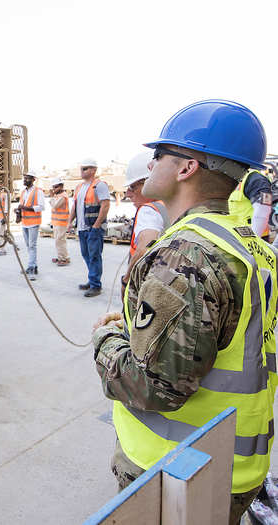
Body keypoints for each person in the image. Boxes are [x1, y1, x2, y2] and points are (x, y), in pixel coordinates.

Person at [91, 99, 277, 525]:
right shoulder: (249, 244)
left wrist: (106, 340)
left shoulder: (187, 255)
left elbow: (154, 388)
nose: (150, 164)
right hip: (228, 460)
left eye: (159, 155)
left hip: (179, 470)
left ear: (186, 167)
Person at [120, 151, 169, 289]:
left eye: (133, 187)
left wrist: (126, 279)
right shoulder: (171, 206)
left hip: (145, 284)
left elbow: (144, 249)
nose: (128, 194)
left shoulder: (148, 211)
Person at [68, 158, 110, 297]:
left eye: (85, 169)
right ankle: (92, 280)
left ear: (93, 170)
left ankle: (96, 285)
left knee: (94, 256)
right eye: (81, 168)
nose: (82, 171)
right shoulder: (79, 187)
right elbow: (75, 206)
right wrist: (70, 222)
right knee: (86, 255)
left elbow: (105, 205)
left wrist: (96, 225)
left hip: (93, 228)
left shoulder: (99, 185)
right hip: (82, 228)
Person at [228, 169, 272, 239]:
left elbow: (263, 211)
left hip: (252, 237)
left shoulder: (256, 179)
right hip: (235, 235)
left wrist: (254, 240)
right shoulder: (230, 177)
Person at [17, 171, 45, 278]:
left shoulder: (38, 191)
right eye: (24, 178)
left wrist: (25, 208)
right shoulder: (23, 192)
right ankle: (34, 265)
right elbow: (21, 205)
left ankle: (31, 267)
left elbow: (41, 207)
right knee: (29, 246)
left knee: (32, 245)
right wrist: (18, 212)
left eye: (27, 178)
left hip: (33, 222)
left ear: (33, 180)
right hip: (25, 222)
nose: (25, 180)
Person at [49, 177, 70, 266]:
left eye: (56, 187)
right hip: (57, 222)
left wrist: (51, 197)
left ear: (61, 186)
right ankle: (61, 256)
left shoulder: (63, 196)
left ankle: (64, 258)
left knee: (60, 240)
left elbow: (55, 205)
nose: (54, 189)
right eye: (53, 187)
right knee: (58, 241)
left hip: (62, 223)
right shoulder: (58, 195)